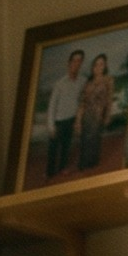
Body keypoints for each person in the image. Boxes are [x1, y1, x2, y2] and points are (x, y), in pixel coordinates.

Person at [42, 48, 85, 179]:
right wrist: (51, 125)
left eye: (79, 61)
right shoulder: (60, 84)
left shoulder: (82, 81)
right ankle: (50, 173)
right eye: (74, 61)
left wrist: (78, 120)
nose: (76, 64)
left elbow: (82, 100)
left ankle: (62, 167)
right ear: (69, 63)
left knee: (67, 146)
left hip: (71, 119)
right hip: (59, 121)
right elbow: (52, 106)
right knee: (53, 148)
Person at [76, 52, 115, 174]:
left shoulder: (108, 80)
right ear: (93, 67)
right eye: (96, 64)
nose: (99, 67)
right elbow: (82, 103)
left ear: (105, 66)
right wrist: (78, 121)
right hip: (87, 115)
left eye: (101, 64)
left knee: (94, 139)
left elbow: (109, 100)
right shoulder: (88, 84)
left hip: (98, 114)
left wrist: (108, 115)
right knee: (85, 140)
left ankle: (93, 165)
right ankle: (83, 166)